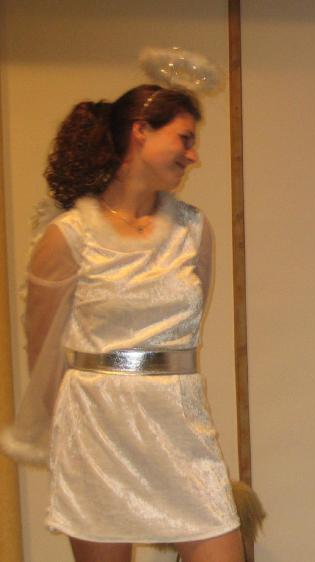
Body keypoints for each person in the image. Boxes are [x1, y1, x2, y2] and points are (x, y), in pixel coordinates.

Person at [0, 84, 244, 562]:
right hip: (97, 427)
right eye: (185, 139)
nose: (193, 155)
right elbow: (42, 349)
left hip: (178, 422)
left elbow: (190, 329)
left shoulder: (194, 230)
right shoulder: (68, 235)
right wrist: (57, 438)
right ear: (141, 131)